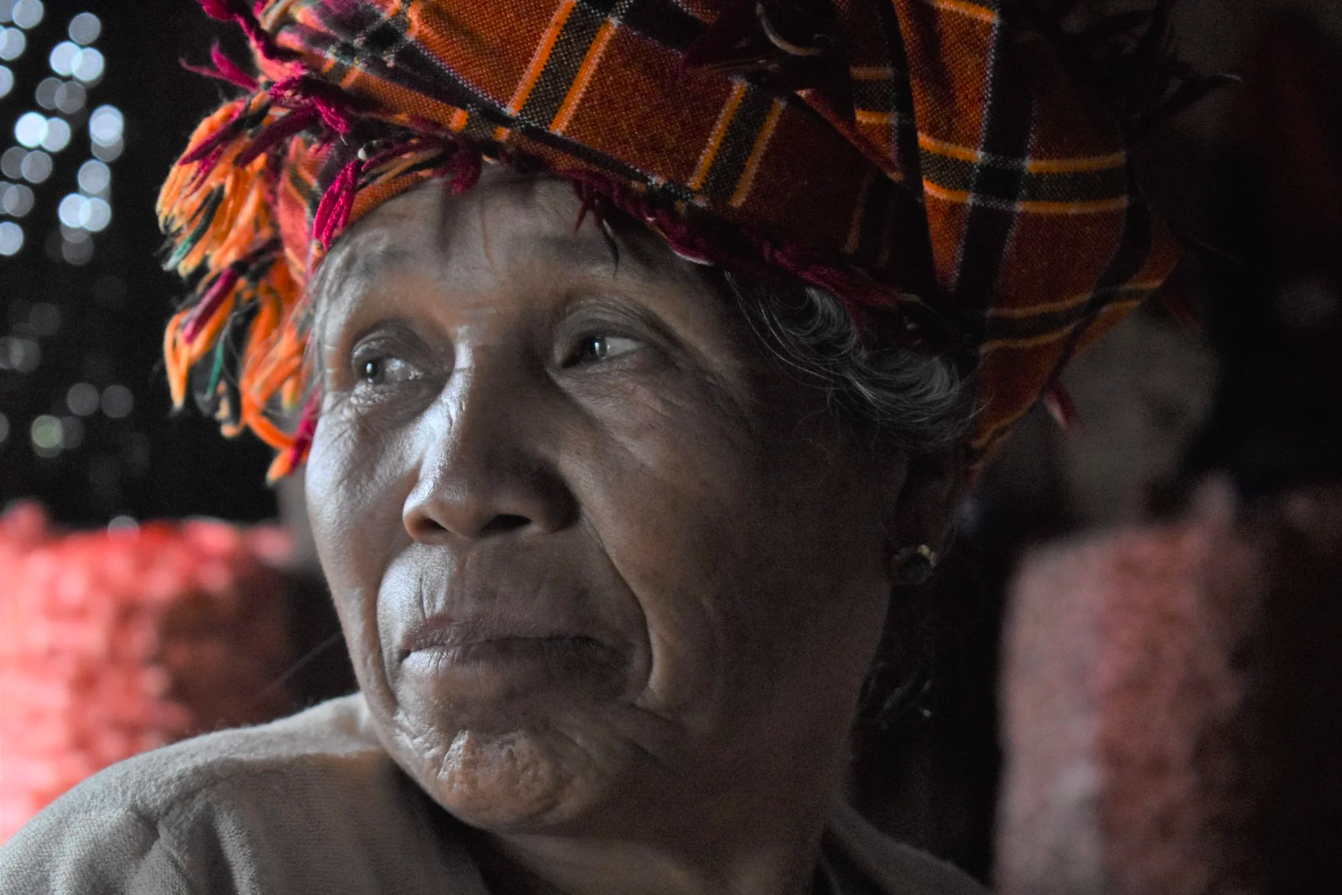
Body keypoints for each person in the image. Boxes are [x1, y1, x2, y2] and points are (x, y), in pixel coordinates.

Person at [0, 1, 1178, 892]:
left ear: (912, 478)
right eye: (379, 363)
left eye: (602, 346)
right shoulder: (185, 869)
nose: (454, 488)